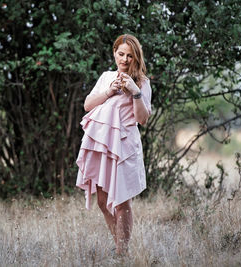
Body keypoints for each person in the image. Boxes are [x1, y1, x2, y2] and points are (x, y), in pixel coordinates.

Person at [76, 34, 152, 256]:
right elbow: (87, 105)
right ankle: (121, 246)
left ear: (136, 58)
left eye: (130, 56)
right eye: (121, 54)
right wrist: (109, 90)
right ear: (114, 53)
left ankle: (121, 253)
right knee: (102, 201)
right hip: (101, 145)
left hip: (123, 148)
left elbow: (142, 119)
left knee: (121, 202)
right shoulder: (106, 76)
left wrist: (134, 92)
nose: (125, 60)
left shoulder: (142, 83)